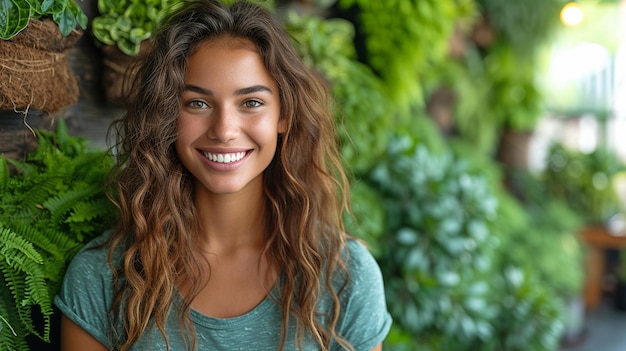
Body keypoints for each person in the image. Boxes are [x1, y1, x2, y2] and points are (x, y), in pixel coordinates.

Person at [54, 0, 392, 350]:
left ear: (284, 115)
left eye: (251, 103)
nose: (225, 130)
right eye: (197, 103)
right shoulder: (102, 277)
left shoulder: (344, 277)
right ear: (166, 117)